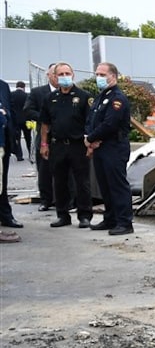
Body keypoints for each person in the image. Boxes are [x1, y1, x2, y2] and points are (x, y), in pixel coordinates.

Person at [40, 62, 95, 229]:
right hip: (58, 146)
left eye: (67, 73)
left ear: (73, 75)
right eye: (61, 74)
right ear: (55, 77)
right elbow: (45, 124)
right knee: (59, 182)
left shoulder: (84, 96)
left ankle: (84, 216)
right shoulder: (50, 98)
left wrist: (90, 145)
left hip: (78, 146)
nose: (64, 77)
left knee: (82, 182)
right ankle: (62, 215)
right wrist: (44, 144)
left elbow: (90, 123)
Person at [85, 62, 134, 236]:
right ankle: (110, 218)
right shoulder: (101, 96)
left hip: (114, 147)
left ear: (113, 76)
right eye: (97, 74)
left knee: (117, 185)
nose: (98, 77)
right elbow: (91, 120)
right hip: (101, 147)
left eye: (102, 75)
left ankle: (124, 222)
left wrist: (91, 138)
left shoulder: (117, 98)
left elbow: (110, 124)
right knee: (105, 186)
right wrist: (90, 138)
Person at [23, 64, 59, 210]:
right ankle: (46, 200)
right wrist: (44, 119)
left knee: (65, 171)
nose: (58, 77)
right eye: (55, 74)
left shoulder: (71, 92)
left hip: (64, 138)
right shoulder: (38, 92)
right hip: (45, 137)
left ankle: (66, 200)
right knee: (44, 171)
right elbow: (28, 110)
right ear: (48, 75)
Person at [0, 79, 24, 237]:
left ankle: (5, 215)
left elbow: (10, 110)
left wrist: (14, 134)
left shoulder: (3, 86)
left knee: (2, 181)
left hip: (4, 141)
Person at [10, 81, 29, 161]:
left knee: (17, 138)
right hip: (26, 120)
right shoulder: (27, 95)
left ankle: (19, 155)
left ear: (16, 86)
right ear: (24, 87)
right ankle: (30, 153)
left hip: (15, 120)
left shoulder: (11, 95)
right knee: (28, 138)